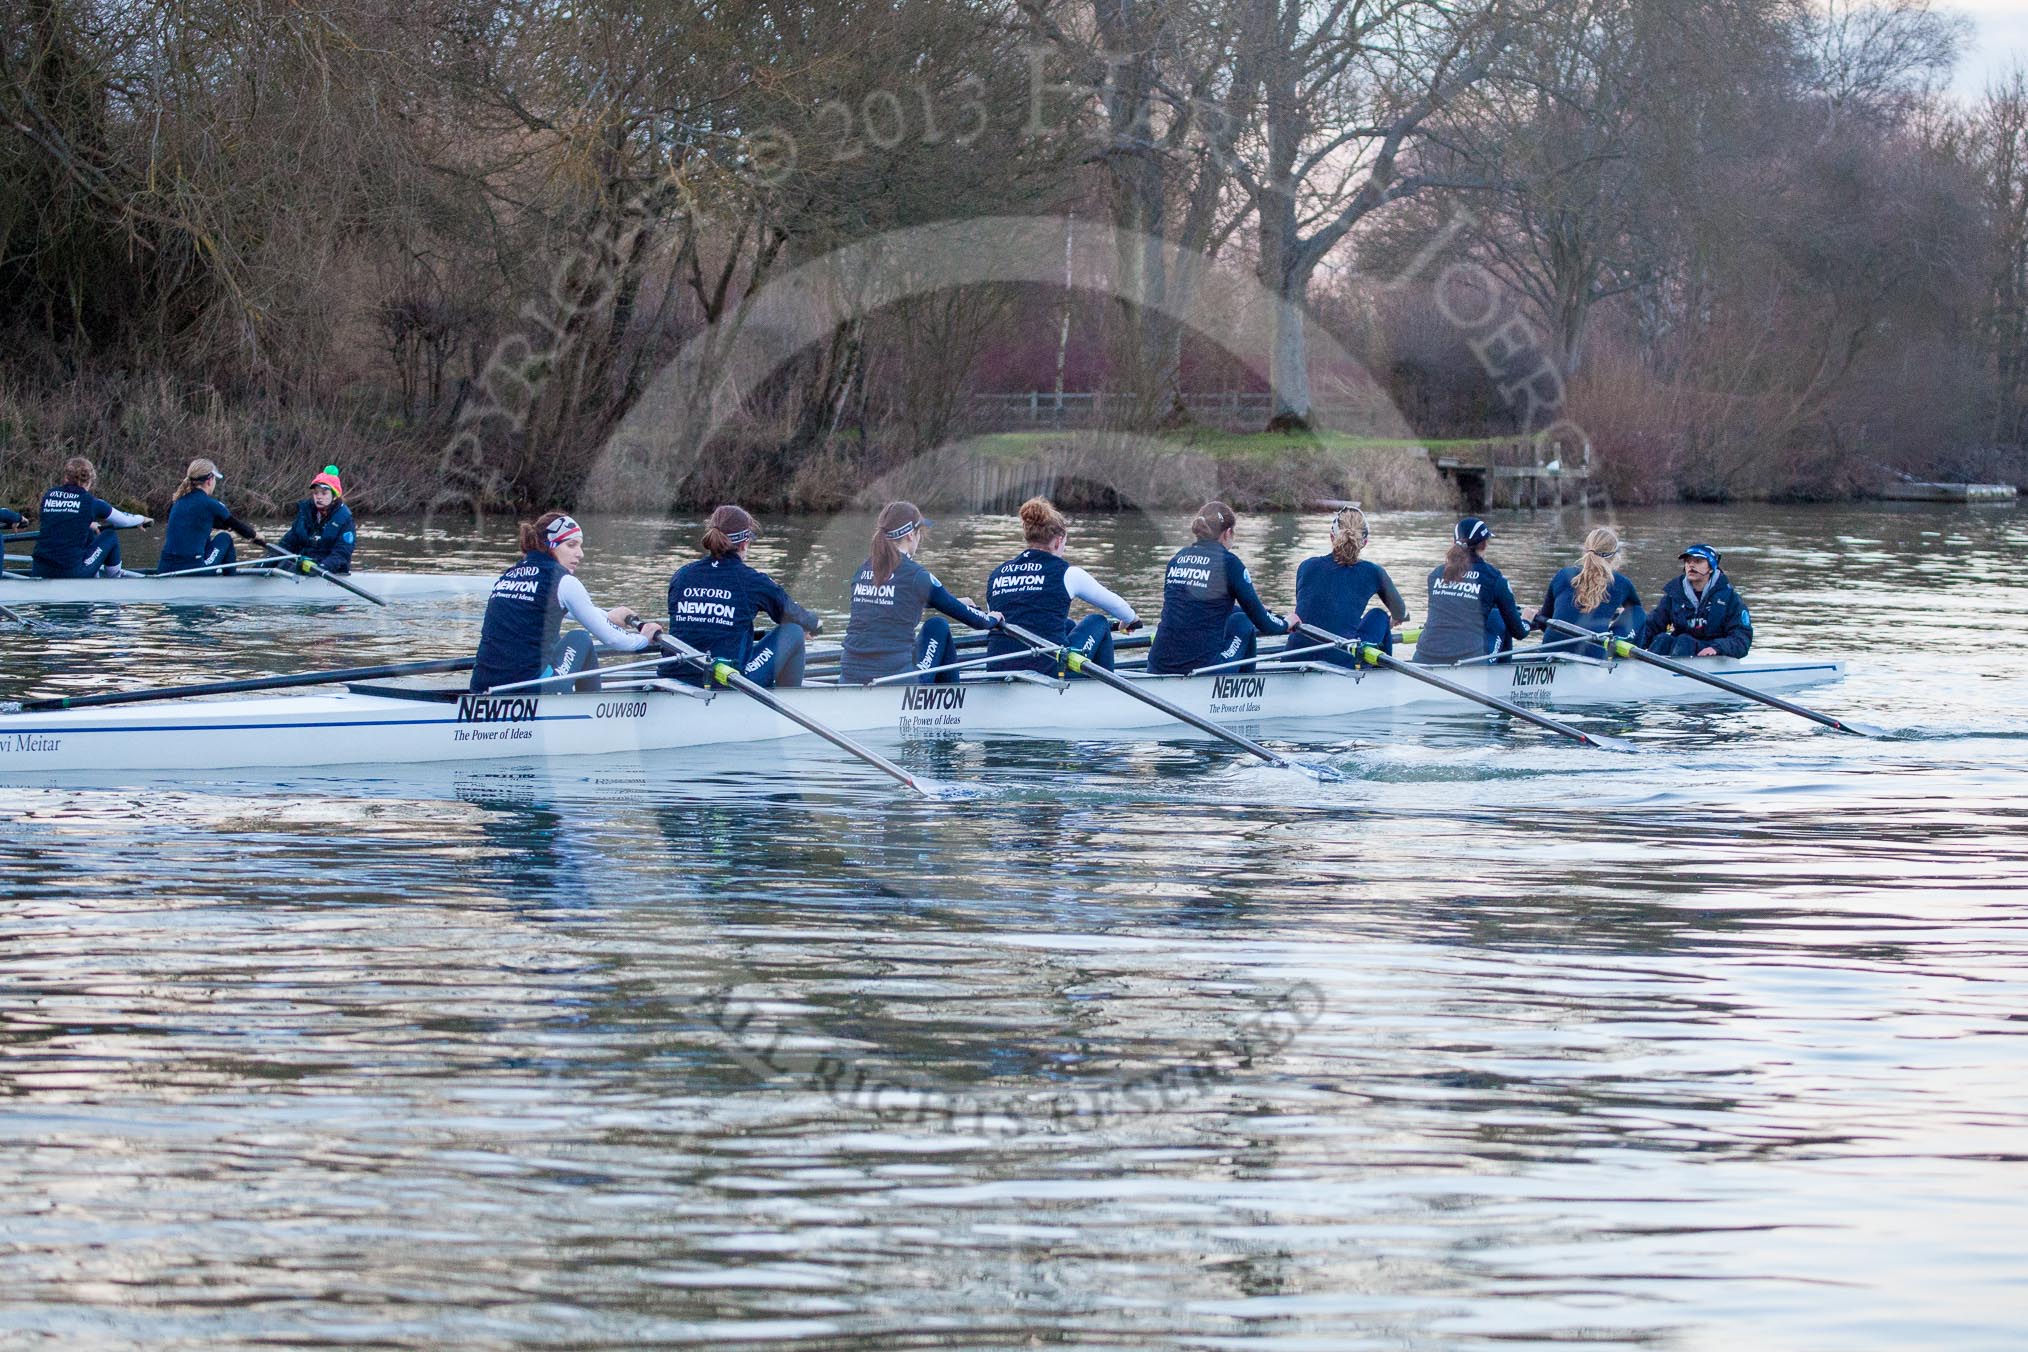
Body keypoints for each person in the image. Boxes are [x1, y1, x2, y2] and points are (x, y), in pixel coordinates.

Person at [469, 513, 664, 692]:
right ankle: (590, 712)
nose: (580, 554)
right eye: (571, 545)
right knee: (581, 638)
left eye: (580, 545)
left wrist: (608, 615)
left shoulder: (509, 576)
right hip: (528, 691)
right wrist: (644, 639)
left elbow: (565, 610)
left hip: (482, 686)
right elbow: (613, 639)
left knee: (552, 643)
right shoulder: (563, 581)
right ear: (550, 546)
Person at [839, 502, 999, 685]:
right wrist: (993, 618)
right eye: (920, 533)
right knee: (937, 626)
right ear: (910, 534)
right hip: (895, 679)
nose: (920, 539)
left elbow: (894, 601)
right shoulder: (916, 575)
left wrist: (954, 601)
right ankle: (951, 704)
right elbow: (977, 621)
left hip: (848, 674)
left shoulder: (863, 570)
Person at [665, 505, 822, 688]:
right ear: (745, 542)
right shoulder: (752, 580)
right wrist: (815, 625)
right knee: (794, 631)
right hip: (727, 679)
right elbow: (791, 613)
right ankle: (786, 707)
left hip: (676, 672)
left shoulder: (682, 575)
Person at [983, 497, 1140, 677]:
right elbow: (1119, 608)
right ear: (1058, 541)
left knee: (1068, 625)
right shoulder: (1068, 573)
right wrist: (1130, 620)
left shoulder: (997, 574)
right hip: (1048, 671)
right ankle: (1104, 694)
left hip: (996, 671)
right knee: (1098, 622)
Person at [1147, 501, 1290, 675]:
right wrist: (1286, 623)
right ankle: (1246, 693)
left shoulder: (1177, 559)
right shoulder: (1229, 564)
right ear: (1227, 533)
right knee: (1243, 622)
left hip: (1157, 664)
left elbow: (1196, 607)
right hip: (1202, 669)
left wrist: (1249, 610)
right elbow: (1265, 624)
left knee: (1239, 614)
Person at [1291, 505, 1409, 667]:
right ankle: (1384, 676)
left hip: (1292, 657)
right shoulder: (1374, 572)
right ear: (1364, 542)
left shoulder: (1306, 566)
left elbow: (1316, 609)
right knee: (1379, 615)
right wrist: (1396, 618)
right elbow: (1400, 612)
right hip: (1339, 659)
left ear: (1332, 536)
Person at [1412, 516, 1530, 665]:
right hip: (1469, 663)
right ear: (1484, 544)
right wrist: (1527, 620)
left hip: (1423, 658)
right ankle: (1504, 679)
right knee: (1500, 618)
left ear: (1454, 542)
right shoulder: (1494, 578)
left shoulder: (1436, 574)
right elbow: (1519, 632)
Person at [29, 457, 151, 579]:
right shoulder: (91, 502)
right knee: (110, 535)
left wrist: (87, 523)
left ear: (66, 477)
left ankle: (94, 577)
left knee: (88, 532)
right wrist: (141, 519)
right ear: (89, 481)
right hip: (70, 573)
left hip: (39, 570)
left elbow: (62, 517)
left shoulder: (48, 496)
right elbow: (124, 521)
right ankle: (114, 582)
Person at [1529, 526, 1645, 641]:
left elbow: (1545, 622)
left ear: (1585, 550)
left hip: (1550, 649)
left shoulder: (1563, 574)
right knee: (1638, 611)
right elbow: (1636, 612)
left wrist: (1531, 617)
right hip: (1593, 654)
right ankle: (1626, 652)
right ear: (1614, 556)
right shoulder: (1621, 583)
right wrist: (1622, 617)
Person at [1641, 542, 1752, 658]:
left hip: (1712, 653)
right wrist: (1633, 643)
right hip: (1681, 650)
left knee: (1685, 641)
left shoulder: (1730, 599)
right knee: (1662, 639)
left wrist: (1716, 648)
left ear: (1711, 567)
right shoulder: (1674, 595)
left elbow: (1742, 639)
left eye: (1698, 561)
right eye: (1688, 561)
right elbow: (1652, 626)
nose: (1691, 566)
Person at [158, 459, 262, 574]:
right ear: (210, 480)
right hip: (193, 570)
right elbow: (239, 527)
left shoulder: (177, 502)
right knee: (224, 538)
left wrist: (223, 526)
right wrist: (256, 536)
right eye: (215, 480)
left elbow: (195, 524)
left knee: (205, 539)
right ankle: (231, 582)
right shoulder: (211, 504)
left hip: (164, 569)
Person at [272, 465, 356, 574]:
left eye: (324, 493)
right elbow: (287, 544)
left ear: (335, 496)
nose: (319, 497)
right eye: (316, 493)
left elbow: (342, 553)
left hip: (330, 570)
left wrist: (322, 567)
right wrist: (266, 562)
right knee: (282, 563)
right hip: (304, 565)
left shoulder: (345, 520)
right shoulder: (305, 515)